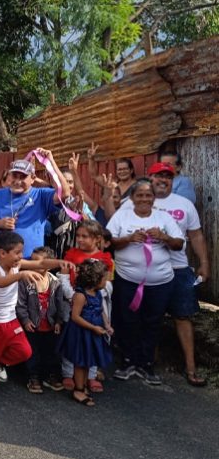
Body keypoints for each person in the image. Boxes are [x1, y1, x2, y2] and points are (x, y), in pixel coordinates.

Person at [121, 162, 209, 386]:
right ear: (149, 178)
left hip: (178, 269)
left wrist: (204, 262)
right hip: (145, 270)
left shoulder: (184, 204)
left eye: (167, 177)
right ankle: (148, 363)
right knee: (148, 317)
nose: (163, 180)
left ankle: (191, 368)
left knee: (183, 316)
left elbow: (196, 235)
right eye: (158, 176)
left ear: (173, 179)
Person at [0, 231, 69, 412]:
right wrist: (21, 275)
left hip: (10, 320)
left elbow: (40, 262)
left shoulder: (17, 264)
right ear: (2, 253)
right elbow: (1, 282)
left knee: (24, 352)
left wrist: (59, 262)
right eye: (17, 252)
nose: (20, 256)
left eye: (21, 252)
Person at [106, 180, 184, 385]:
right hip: (128, 281)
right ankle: (128, 362)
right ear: (132, 198)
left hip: (160, 283)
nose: (144, 199)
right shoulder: (122, 216)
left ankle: (147, 364)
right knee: (128, 321)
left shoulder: (163, 217)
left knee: (152, 322)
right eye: (139, 195)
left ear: (153, 198)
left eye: (148, 195)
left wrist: (164, 236)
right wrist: (129, 238)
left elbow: (179, 244)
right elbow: (109, 241)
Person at [0, 149, 70, 258]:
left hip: (32, 262)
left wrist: (51, 162)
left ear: (33, 179)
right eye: (14, 176)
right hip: (2, 263)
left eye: (23, 177)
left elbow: (64, 193)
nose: (17, 181)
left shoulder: (41, 195)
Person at [60, 220, 114, 392]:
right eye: (78, 236)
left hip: (95, 306)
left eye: (85, 236)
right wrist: (73, 296)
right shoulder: (71, 254)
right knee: (73, 339)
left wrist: (95, 295)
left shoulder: (105, 258)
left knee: (92, 342)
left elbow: (108, 283)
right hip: (74, 301)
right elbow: (65, 277)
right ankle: (68, 373)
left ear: (97, 239)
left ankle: (90, 375)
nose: (80, 240)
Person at [57, 259, 113, 407]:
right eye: (104, 279)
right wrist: (93, 328)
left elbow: (101, 311)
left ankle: (83, 385)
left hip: (93, 332)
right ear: (95, 280)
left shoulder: (98, 294)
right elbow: (75, 317)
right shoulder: (80, 296)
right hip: (82, 333)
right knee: (80, 361)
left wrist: (107, 325)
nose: (106, 282)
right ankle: (78, 389)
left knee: (87, 361)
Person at [16, 246, 70, 394]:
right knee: (33, 352)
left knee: (51, 352)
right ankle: (33, 377)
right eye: (31, 261)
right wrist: (25, 320)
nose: (33, 265)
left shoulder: (55, 282)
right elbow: (20, 303)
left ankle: (50, 376)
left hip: (50, 325)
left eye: (37, 262)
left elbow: (59, 303)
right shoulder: (25, 280)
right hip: (33, 325)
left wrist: (58, 321)